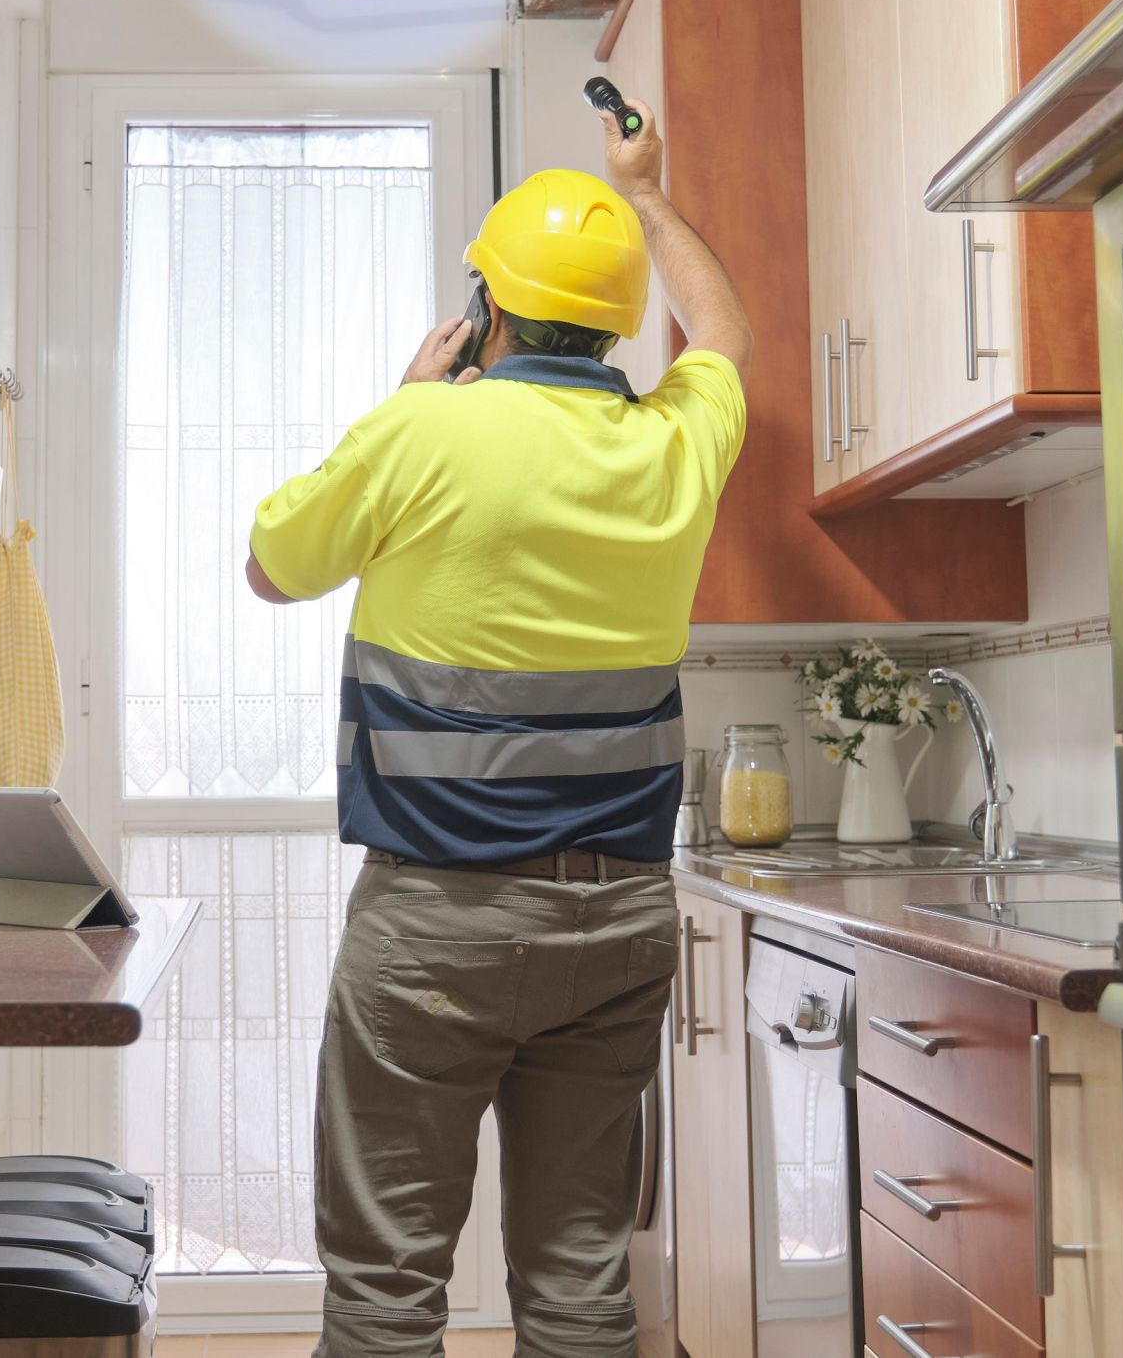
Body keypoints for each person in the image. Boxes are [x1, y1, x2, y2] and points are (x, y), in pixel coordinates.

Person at [244, 95, 751, 1358]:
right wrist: (642, 194)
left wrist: (404, 397)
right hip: (620, 924)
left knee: (386, 1286)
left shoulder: (423, 429)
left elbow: (269, 562)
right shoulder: (674, 445)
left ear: (482, 311)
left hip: (436, 930)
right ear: (616, 323)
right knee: (582, 1280)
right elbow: (726, 330)